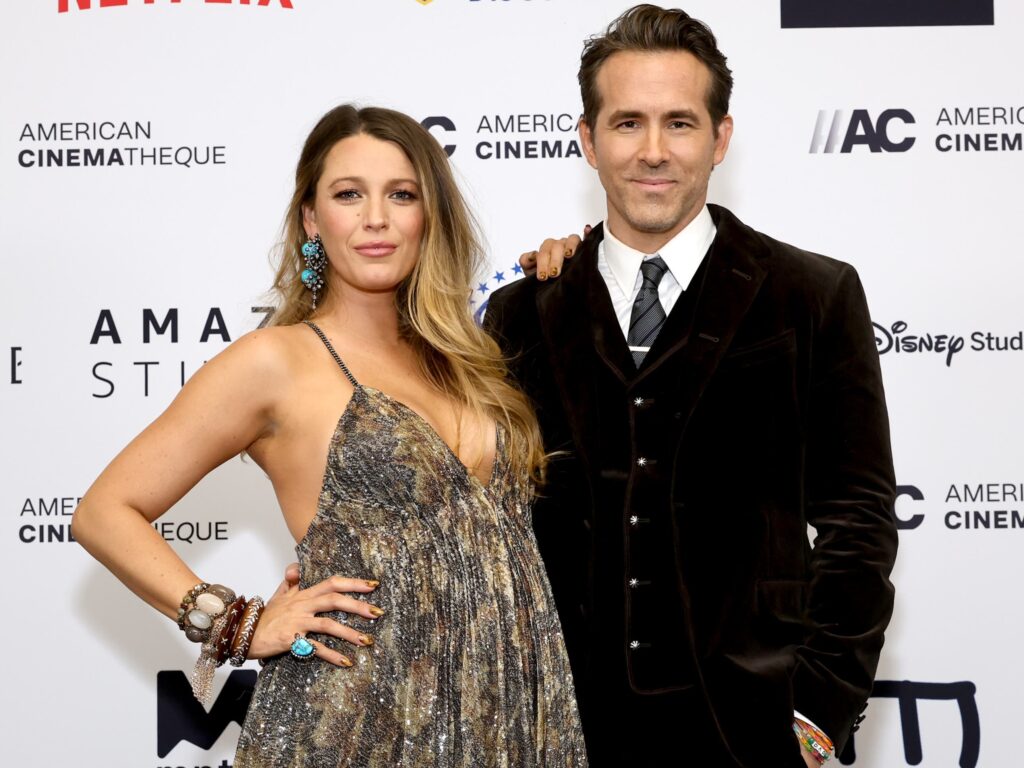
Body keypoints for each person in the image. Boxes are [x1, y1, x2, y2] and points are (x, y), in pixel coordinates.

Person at [72, 104, 587, 767]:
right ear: (312, 220)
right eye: (349, 194)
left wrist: (585, 268)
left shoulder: (473, 358)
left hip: (508, 713)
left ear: (429, 216)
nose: (376, 218)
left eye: (401, 195)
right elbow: (103, 512)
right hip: (354, 720)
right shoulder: (275, 362)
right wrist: (235, 622)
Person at [484, 5, 898, 767]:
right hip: (559, 728)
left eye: (679, 123)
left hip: (750, 727)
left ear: (720, 138)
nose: (653, 151)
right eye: (627, 123)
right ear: (588, 140)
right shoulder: (522, 311)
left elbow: (858, 521)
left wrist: (818, 709)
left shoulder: (813, 294)